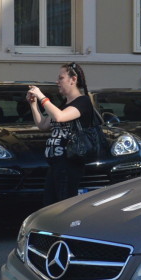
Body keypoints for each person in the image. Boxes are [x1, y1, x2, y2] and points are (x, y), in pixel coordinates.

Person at [27, 62, 94, 205]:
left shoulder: (83, 101)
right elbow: (43, 125)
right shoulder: (64, 105)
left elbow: (60, 117)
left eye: (61, 78)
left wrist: (41, 96)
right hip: (56, 164)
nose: (57, 82)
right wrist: (33, 104)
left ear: (73, 79)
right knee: (50, 205)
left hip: (69, 164)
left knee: (63, 206)